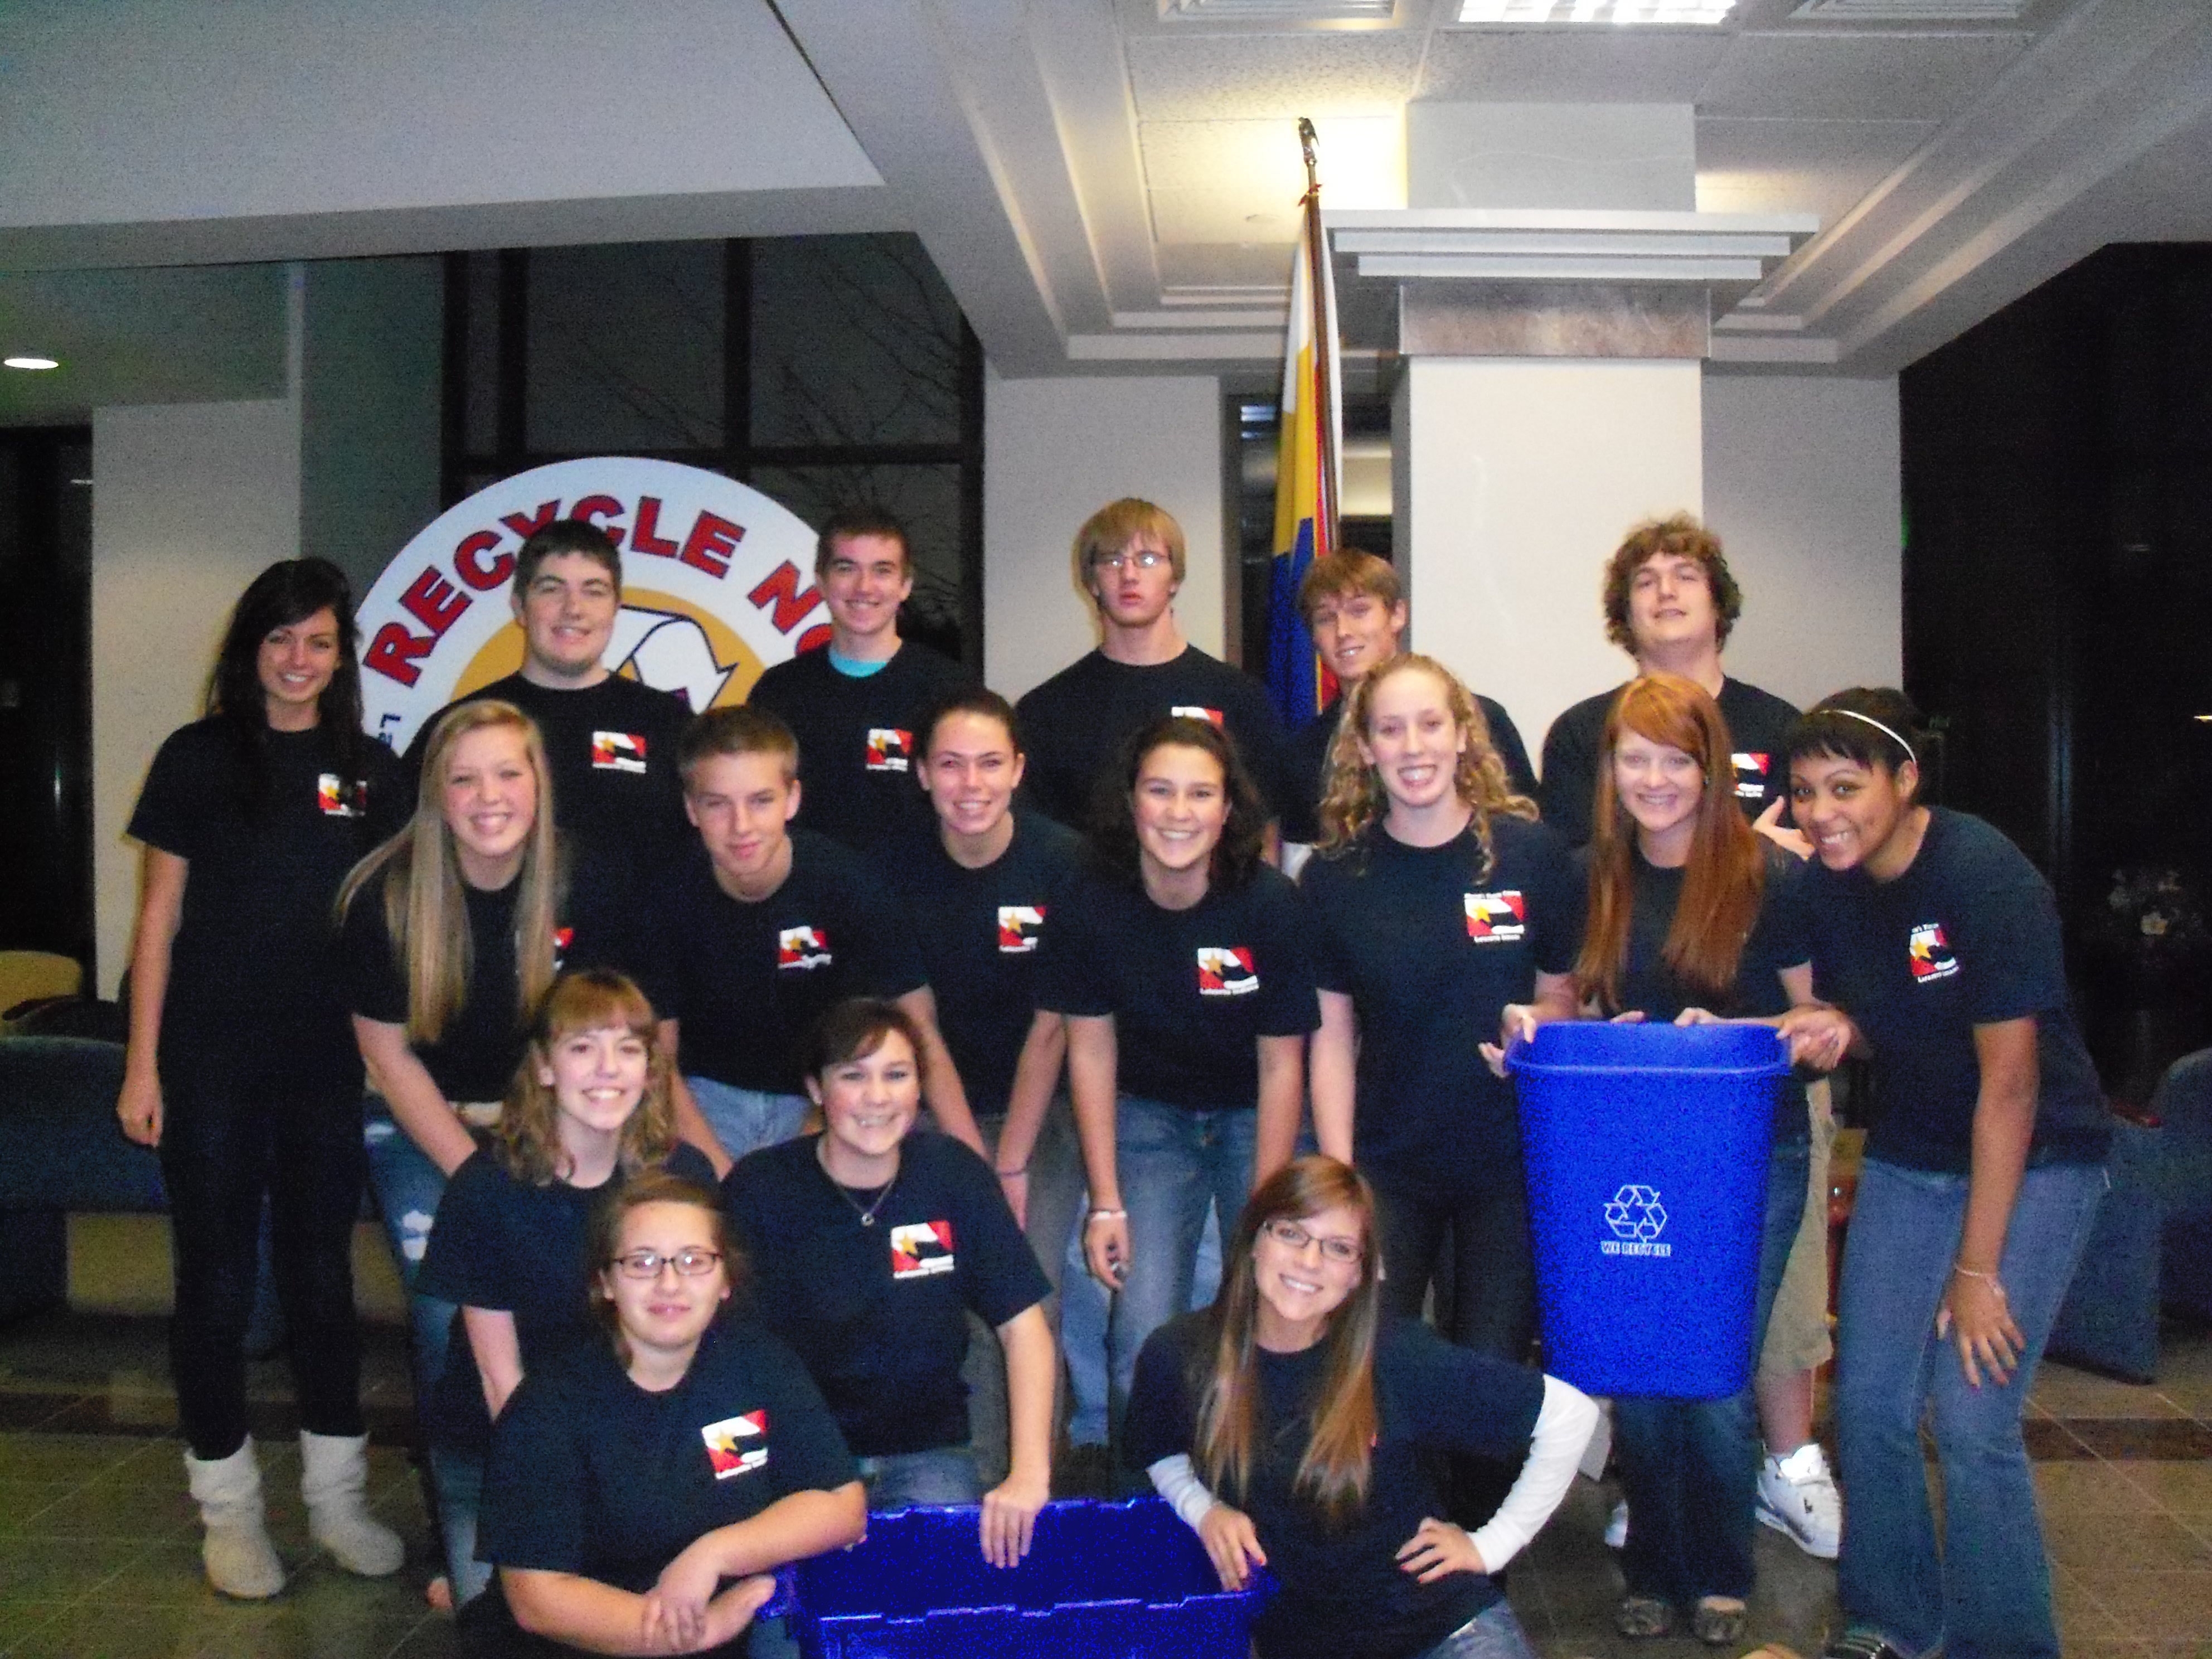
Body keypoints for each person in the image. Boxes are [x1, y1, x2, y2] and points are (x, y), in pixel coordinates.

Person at [1779, 690, 2111, 1659]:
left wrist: (1976, 1273)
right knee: (1871, 1405)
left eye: (1845, 787)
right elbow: (1876, 1015)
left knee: (1969, 1420)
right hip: (1915, 1150)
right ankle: (1892, 1622)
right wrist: (1826, 1028)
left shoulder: (1982, 875)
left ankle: (2005, 1645)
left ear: (1905, 780)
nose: (1821, 813)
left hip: (2036, 1154)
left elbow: (2010, 1085)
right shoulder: (1825, 885)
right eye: (1804, 791)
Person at [119, 558, 405, 1599]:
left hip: (323, 1065)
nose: (298, 659)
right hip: (208, 1062)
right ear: (251, 648)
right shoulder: (197, 758)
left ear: (341, 657)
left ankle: (337, 1501)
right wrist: (141, 1065)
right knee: (216, 1285)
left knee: (322, 1280)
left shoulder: (372, 770)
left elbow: (401, 921)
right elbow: (158, 919)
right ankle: (230, 1514)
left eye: (319, 642)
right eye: (281, 638)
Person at [339, 699, 666, 1603]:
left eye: (508, 774)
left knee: (590, 1301)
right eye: (465, 778)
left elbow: (610, 1036)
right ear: (436, 794)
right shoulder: (384, 894)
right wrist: (484, 1182)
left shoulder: (586, 879)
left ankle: (587, 1525)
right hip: (427, 1122)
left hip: (560, 1121)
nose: (489, 797)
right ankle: (477, 1553)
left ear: (538, 783)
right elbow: (387, 1055)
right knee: (450, 1316)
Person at [1568, 674, 1819, 1647]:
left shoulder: (1767, 876)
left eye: (1676, 760)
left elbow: (1819, 1021)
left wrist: (1734, 1036)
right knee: (1640, 1372)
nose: (1655, 779)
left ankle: (1720, 1572)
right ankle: (1652, 1567)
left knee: (1714, 1378)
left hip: (1751, 1155)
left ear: (1711, 769)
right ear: (1611, 769)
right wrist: (1590, 1030)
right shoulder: (1594, 875)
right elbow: (1570, 1008)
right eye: (1636, 758)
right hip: (1632, 1154)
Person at [1124, 1156, 1600, 1659]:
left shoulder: (1397, 1356)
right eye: (1291, 1234)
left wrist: (1493, 1545)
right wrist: (1205, 1511)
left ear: (1358, 1274)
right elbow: (1159, 1451)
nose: (1309, 1262)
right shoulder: (1179, 1354)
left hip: (1440, 1632)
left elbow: (1570, 1416)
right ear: (1253, 1241)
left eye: (1338, 1248)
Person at [1037, 714, 1318, 1440]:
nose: (1178, 812)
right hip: (1149, 1118)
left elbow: (1282, 1064)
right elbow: (1089, 1052)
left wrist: (1266, 1211)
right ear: (1131, 800)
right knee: (1141, 1334)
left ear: (1227, 811)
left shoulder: (1270, 905)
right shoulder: (1089, 899)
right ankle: (1146, 1490)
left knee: (1266, 1305)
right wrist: (1105, 1202)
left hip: (1255, 1112)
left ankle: (1250, 1481)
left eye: (1200, 794)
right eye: (1160, 790)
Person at [1303, 654, 1579, 1372]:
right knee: (1370, 1369)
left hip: (1509, 1164)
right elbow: (1329, 1041)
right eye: (1390, 730)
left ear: (1462, 735)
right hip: (1389, 1165)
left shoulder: (1531, 856)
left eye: (1430, 724)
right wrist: (1341, 1182)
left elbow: (1564, 995)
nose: (1412, 747)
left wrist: (1535, 1022)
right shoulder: (1334, 876)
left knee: (1489, 1372)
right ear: (1365, 749)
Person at [415, 969, 717, 1608]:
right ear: (545, 1068)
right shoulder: (486, 1189)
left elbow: (703, 1341)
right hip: (500, 1448)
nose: (607, 1069)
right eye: (583, 1048)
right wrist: (566, 1493)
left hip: (637, 1443)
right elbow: (500, 1379)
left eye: (628, 1049)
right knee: (511, 1625)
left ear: (650, 1069)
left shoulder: (682, 1177)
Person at [471, 1171, 867, 1657]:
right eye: (642, 1263)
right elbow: (538, 1600)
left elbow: (841, 1506)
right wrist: (695, 1633)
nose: (670, 1283)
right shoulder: (549, 1405)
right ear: (606, 1283)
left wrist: (714, 1554)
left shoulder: (761, 1365)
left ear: (726, 1281)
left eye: (694, 1261)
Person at [722, 1000, 1055, 1561]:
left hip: (928, 1454)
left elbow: (1023, 1327)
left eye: (897, 1075)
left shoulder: (953, 1175)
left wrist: (1029, 1473)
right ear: (816, 1088)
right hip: (798, 1463)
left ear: (919, 1087)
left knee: (948, 1602)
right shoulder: (760, 1189)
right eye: (853, 1077)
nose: (877, 1097)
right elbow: (721, 1350)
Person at [658, 706, 983, 1172]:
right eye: (717, 804)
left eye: (761, 801)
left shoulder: (848, 884)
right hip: (705, 1100)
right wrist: (722, 1176)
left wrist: (977, 1169)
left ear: (792, 799)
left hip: (825, 1099)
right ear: (692, 809)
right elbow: (657, 1061)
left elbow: (918, 1026)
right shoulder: (667, 896)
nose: (741, 825)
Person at [901, 688, 1086, 1287]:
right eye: (950, 764)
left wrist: (1008, 1165)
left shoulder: (1066, 863)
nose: (971, 784)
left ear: (1017, 770)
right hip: (929, 1109)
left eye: (989, 763)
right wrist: (973, 1166)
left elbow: (1052, 1028)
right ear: (923, 773)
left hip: (1047, 1111)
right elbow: (918, 1030)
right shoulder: (891, 872)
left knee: (1025, 1283)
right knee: (937, 1287)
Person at [414, 518, 691, 875]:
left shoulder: (667, 722)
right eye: (551, 589)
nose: (573, 608)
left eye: (594, 591)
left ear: (616, 607)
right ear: (519, 607)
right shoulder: (463, 726)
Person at [1014, 498, 1294, 836]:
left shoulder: (1240, 699)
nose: (1129, 575)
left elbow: (1265, 832)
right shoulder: (1046, 711)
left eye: (1148, 559)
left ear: (1174, 578)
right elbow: (1035, 840)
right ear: (1092, 582)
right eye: (1112, 560)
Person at [1538, 515, 1801, 851]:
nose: (1666, 592)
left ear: (1717, 603)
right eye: (1646, 582)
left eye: (1686, 576)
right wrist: (1750, 847)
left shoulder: (1780, 726)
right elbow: (1572, 863)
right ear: (1626, 615)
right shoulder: (1579, 734)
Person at [747, 507, 973, 854]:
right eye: (846, 568)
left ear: (905, 586)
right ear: (821, 581)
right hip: (808, 885)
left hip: (916, 886)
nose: (864, 587)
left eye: (882, 570)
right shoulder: (779, 692)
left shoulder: (951, 691)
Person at [1283, 549, 1533, 846]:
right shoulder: (1304, 751)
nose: (1343, 632)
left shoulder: (1481, 718)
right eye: (1326, 619)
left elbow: (1525, 829)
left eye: (1359, 611)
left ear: (1398, 615)